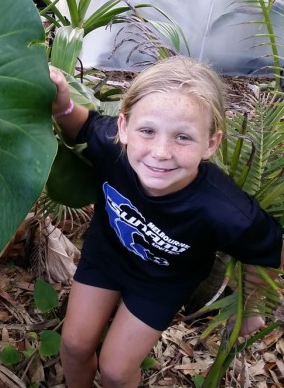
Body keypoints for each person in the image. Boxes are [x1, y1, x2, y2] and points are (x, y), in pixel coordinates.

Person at [49, 56, 284, 388]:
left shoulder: (225, 209)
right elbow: (83, 126)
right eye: (147, 131)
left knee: (116, 371)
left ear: (211, 143)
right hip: (106, 256)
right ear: (124, 128)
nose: (160, 152)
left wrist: (251, 306)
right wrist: (62, 105)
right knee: (73, 345)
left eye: (183, 138)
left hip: (162, 282)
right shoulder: (111, 145)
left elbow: (271, 248)